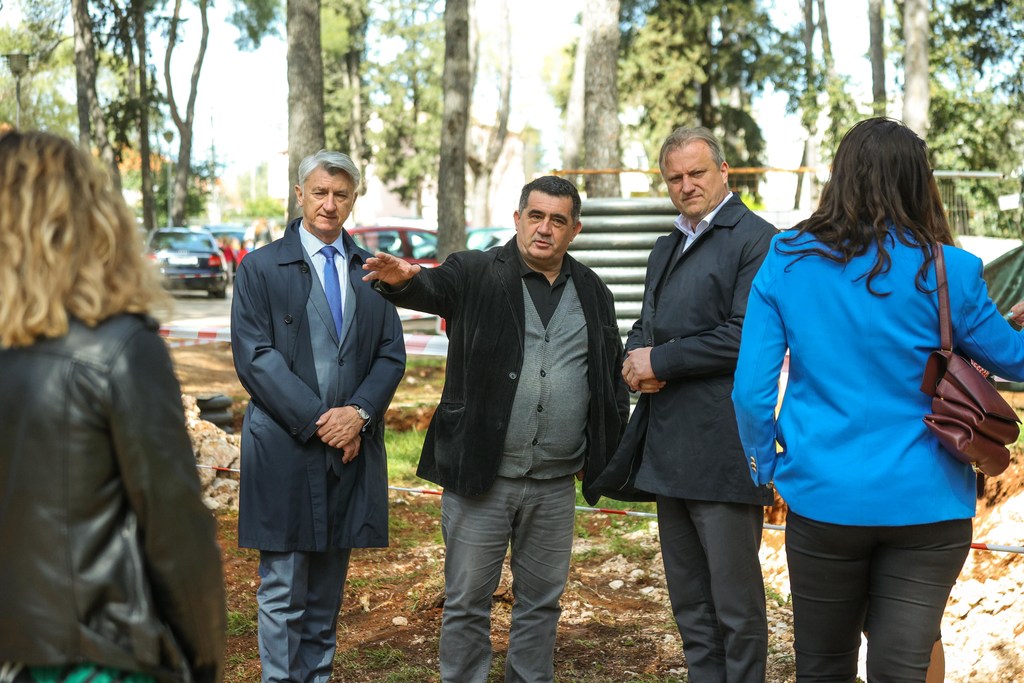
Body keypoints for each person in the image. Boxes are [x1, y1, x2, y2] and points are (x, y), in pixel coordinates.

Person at [731, 116, 1024, 681]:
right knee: (902, 669)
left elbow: (749, 393)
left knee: (823, 666)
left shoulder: (786, 259)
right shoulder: (951, 269)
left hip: (823, 496)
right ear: (918, 181)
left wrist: (765, 466)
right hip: (928, 503)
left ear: (839, 177)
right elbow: (1015, 360)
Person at [362, 175, 629, 683]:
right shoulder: (476, 271)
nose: (544, 229)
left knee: (542, 603)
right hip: (481, 475)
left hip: (554, 482)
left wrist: (605, 452)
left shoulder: (593, 290)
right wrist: (403, 279)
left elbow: (607, 374)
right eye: (536, 216)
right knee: (467, 601)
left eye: (557, 220)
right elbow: (432, 287)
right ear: (517, 219)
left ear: (574, 229)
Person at [0, 130, 225, 681]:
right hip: (94, 658)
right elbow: (175, 532)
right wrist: (203, 658)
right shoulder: (118, 347)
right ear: (90, 219)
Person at [594, 126, 776, 682]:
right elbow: (645, 325)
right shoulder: (666, 245)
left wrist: (661, 361)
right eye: (674, 177)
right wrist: (634, 362)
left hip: (724, 450)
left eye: (697, 173)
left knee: (736, 608)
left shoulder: (758, 239)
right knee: (691, 605)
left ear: (724, 172)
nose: (686, 185)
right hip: (668, 449)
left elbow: (745, 334)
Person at [231, 150, 406, 682]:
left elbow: (390, 355)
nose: (329, 204)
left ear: (353, 201)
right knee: (283, 590)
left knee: (327, 593)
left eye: (341, 195)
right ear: (300, 194)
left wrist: (358, 413)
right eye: (320, 192)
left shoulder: (371, 271)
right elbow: (255, 357)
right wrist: (322, 422)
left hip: (350, 451)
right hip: (285, 449)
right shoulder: (260, 267)